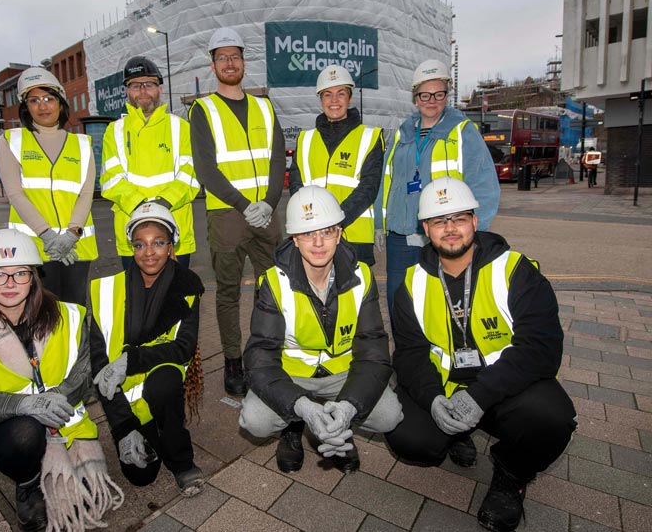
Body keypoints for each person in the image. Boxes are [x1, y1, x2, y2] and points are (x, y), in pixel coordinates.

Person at [384, 178, 576, 532]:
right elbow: (409, 355)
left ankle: (511, 472)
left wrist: (480, 397)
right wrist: (432, 401)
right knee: (406, 435)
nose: (451, 228)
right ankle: (456, 432)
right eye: (440, 221)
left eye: (459, 218)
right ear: (426, 228)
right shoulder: (412, 284)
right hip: (446, 387)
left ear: (475, 220)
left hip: (506, 386)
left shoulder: (516, 271)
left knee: (551, 419)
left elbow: (542, 348)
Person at [0, 229, 122, 532]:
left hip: (69, 425)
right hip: (12, 433)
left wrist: (60, 395)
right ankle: (28, 482)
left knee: (90, 497)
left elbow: (87, 368)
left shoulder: (71, 316)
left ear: (34, 277)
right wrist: (22, 404)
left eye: (20, 273)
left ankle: (68, 462)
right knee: (25, 433)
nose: (10, 284)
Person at [239, 187, 403, 474]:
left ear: (339, 234)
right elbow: (259, 358)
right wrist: (302, 407)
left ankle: (337, 424)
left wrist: (349, 407)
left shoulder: (362, 276)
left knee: (390, 416)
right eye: (307, 234)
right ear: (295, 239)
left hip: (343, 374)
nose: (318, 243)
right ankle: (294, 426)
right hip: (291, 375)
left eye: (327, 232)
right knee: (256, 420)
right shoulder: (273, 282)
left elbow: (374, 351)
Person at [189, 27, 286, 395]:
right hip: (229, 216)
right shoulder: (204, 109)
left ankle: (268, 353)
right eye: (222, 57)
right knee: (228, 291)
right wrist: (246, 205)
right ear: (213, 64)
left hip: (266, 214)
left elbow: (278, 157)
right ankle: (233, 360)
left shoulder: (263, 105)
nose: (230, 63)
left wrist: (270, 203)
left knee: (274, 288)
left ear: (244, 61)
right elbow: (206, 168)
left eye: (236, 56)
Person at [90, 203, 206, 497]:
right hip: (124, 400)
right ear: (132, 248)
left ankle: (182, 462)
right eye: (140, 244)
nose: (149, 252)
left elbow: (182, 348)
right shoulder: (106, 290)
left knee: (165, 382)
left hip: (160, 386)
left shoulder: (187, 287)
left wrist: (131, 361)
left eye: (158, 243)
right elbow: (99, 363)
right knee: (141, 476)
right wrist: (122, 427)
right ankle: (144, 429)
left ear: (171, 246)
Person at [375, 59, 500, 315]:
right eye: (425, 94)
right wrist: (379, 222)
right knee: (400, 303)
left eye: (438, 94)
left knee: (440, 305)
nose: (431, 100)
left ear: (446, 94)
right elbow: (386, 179)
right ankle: (406, 355)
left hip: (445, 234)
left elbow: (484, 184)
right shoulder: (403, 133)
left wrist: (477, 231)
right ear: (415, 97)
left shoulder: (463, 132)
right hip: (401, 235)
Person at [0, 67, 98, 306]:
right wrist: (48, 235)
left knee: (75, 314)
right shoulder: (12, 141)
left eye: (48, 98)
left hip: (76, 246)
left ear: (60, 103)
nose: (43, 106)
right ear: (26, 107)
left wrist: (72, 234)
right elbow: (15, 194)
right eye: (34, 100)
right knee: (40, 317)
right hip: (32, 248)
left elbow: (86, 194)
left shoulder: (82, 144)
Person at [101, 56, 199, 270]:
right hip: (132, 238)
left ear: (160, 89)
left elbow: (190, 175)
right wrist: (143, 211)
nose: (143, 91)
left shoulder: (181, 127)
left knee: (178, 300)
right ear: (126, 91)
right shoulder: (114, 131)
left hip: (175, 233)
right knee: (137, 301)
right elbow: (111, 179)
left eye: (149, 84)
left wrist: (159, 208)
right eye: (135, 85)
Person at [289, 65, 384, 267]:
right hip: (314, 240)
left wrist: (333, 222)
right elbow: (296, 187)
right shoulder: (305, 139)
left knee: (355, 297)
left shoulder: (369, 137)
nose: (334, 101)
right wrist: (316, 225)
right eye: (327, 94)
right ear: (320, 99)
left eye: (341, 93)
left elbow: (368, 188)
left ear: (349, 98)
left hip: (354, 236)